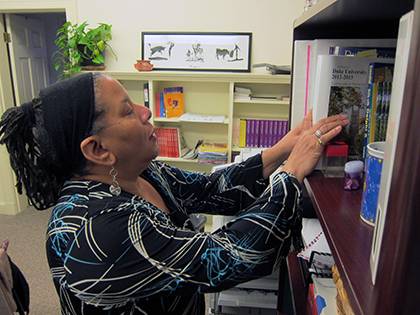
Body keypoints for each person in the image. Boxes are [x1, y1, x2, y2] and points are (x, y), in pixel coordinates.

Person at [0, 73, 348, 315]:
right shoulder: (98, 230)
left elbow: (212, 188)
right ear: (98, 149)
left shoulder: (138, 172)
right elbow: (231, 257)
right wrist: (291, 172)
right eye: (127, 110)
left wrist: (285, 147)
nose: (146, 111)